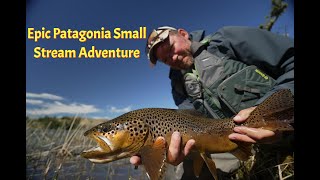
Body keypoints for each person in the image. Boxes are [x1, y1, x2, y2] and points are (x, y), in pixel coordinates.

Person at [131, 26, 294, 179]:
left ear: (183, 34)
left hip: (286, 123)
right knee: (186, 172)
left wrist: (266, 112)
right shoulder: (178, 85)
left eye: (171, 49)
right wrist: (156, 149)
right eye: (165, 60)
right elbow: (189, 121)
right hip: (233, 141)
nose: (172, 58)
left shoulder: (226, 39)